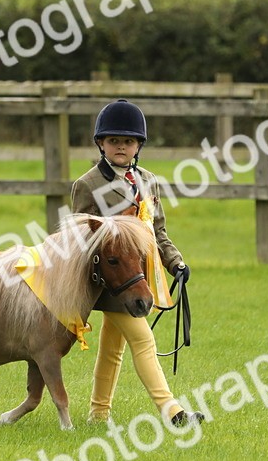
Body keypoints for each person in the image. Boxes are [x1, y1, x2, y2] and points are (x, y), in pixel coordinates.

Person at [70, 99, 203, 428]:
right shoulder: (88, 185)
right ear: (101, 143)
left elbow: (158, 232)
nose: (121, 147)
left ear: (138, 146)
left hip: (139, 280)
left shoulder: (149, 181)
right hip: (111, 283)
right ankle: (172, 411)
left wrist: (176, 263)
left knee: (112, 349)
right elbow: (78, 241)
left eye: (128, 141)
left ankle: (98, 415)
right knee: (143, 340)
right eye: (114, 141)